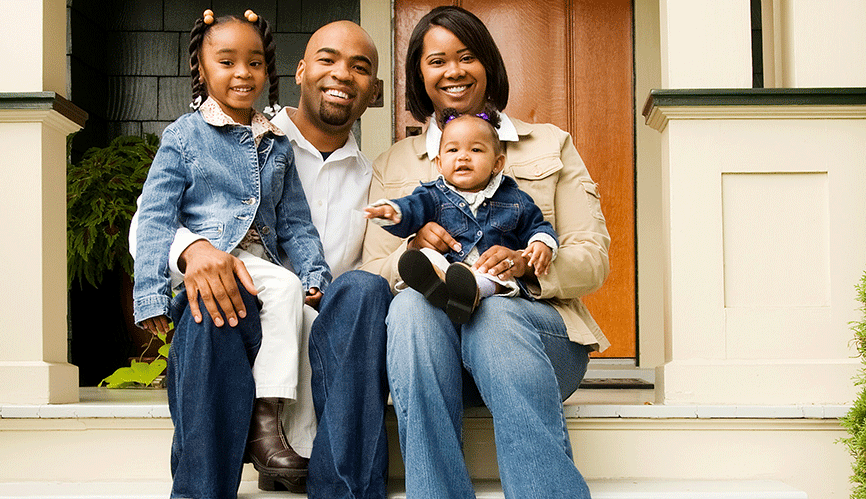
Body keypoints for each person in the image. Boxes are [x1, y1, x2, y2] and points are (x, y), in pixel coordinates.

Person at [360, 5, 613, 499]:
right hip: (433, 359)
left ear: (488, 64)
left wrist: (530, 263)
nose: (453, 70)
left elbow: (592, 256)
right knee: (411, 305)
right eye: (437, 61)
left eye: (467, 56)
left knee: (495, 316)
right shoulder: (395, 164)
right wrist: (413, 247)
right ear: (420, 74)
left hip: (535, 343)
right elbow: (372, 270)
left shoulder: (549, 144)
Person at [148, 20, 395, 498]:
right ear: (299, 71)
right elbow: (150, 223)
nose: (342, 74)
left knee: (363, 289)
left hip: (319, 346)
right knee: (220, 293)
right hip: (231, 329)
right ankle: (206, 484)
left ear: (374, 90)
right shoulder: (232, 135)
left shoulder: (375, 179)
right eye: (327, 59)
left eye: (359, 67)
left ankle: (339, 475)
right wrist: (194, 250)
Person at [129, 9, 329, 499]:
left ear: (269, 70)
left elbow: (296, 222)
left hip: (260, 270)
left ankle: (252, 436)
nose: (243, 73)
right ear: (201, 67)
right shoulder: (184, 136)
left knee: (287, 292)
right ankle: (265, 426)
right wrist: (151, 295)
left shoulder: (277, 143)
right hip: (210, 272)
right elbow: (154, 215)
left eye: (255, 62)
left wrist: (316, 275)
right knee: (241, 310)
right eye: (227, 61)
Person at [365, 107, 557, 324]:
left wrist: (542, 243)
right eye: (453, 150)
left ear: (497, 164)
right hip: (449, 268)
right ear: (439, 163)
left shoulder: (515, 199)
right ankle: (436, 285)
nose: (463, 156)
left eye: (476, 150)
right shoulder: (432, 195)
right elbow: (412, 209)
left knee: (497, 276)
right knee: (427, 257)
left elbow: (537, 225)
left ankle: (471, 292)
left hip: (490, 272)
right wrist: (393, 212)